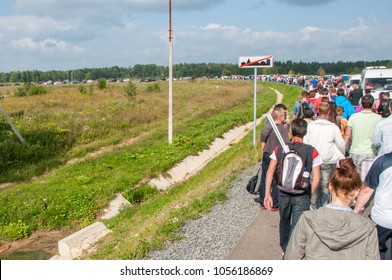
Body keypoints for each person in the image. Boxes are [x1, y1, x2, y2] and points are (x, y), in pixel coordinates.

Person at [284, 158, 379, 260]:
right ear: (356, 192)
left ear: (330, 186)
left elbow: (291, 257)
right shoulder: (368, 228)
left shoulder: (308, 219)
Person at [264, 118, 322, 254]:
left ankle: (284, 248)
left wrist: (268, 194)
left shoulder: (280, 148)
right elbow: (317, 177)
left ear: (290, 131)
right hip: (302, 194)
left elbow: (271, 170)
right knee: (298, 224)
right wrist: (309, 193)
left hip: (283, 191)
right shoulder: (311, 151)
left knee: (284, 220)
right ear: (305, 133)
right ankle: (294, 251)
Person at [304, 102, 346, 208]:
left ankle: (312, 205)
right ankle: (323, 206)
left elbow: (305, 141)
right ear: (329, 112)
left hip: (313, 159)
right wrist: (343, 154)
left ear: (318, 111)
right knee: (325, 185)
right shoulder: (333, 127)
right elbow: (341, 144)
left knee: (313, 182)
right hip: (327, 159)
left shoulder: (310, 126)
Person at [354, 152, 392, 260]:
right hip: (382, 217)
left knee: (377, 252)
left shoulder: (383, 161)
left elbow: (367, 190)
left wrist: (356, 211)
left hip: (382, 218)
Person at [259, 105, 290, 211]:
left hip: (267, 153)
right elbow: (286, 143)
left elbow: (263, 135)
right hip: (277, 155)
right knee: (277, 179)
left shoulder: (268, 126)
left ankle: (263, 200)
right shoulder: (282, 128)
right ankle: (275, 203)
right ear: (280, 117)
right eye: (284, 115)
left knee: (264, 177)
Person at [344, 94, 382, 180]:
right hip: (370, 151)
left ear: (361, 104)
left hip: (355, 151)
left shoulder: (353, 117)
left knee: (354, 179)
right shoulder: (378, 118)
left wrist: (343, 149)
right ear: (373, 104)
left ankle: (356, 193)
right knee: (365, 179)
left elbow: (347, 135)